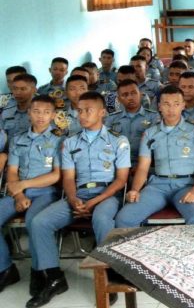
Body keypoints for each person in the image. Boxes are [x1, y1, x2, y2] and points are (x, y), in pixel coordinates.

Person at [27, 92, 130, 308]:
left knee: (102, 219)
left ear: (102, 112)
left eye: (88, 110)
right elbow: (69, 177)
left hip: (106, 194)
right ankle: (55, 277)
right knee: (40, 222)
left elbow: (121, 180)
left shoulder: (118, 140)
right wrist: (73, 199)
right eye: (79, 110)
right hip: (79, 194)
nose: (81, 114)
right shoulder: (70, 142)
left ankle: (107, 275)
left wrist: (94, 202)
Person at [115, 86, 194, 228]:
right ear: (159, 106)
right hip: (157, 187)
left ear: (183, 105)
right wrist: (135, 189)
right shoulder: (150, 133)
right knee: (124, 219)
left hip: (186, 185)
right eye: (166, 104)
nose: (171, 109)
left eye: (176, 104)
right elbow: (142, 168)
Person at [0, 96, 62, 295]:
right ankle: (5, 269)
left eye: (46, 112)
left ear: (53, 115)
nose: (41, 116)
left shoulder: (60, 139)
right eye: (36, 111)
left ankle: (40, 272)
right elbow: (11, 172)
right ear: (29, 113)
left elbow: (56, 175)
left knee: (33, 221)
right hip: (18, 192)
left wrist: (24, 185)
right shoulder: (18, 139)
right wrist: (18, 196)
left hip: (46, 192)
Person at [104, 80, 160, 166]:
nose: (130, 97)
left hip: (145, 164)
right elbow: (106, 144)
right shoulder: (112, 119)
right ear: (119, 99)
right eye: (125, 95)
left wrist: (140, 166)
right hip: (117, 164)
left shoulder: (153, 117)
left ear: (140, 94)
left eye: (134, 93)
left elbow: (156, 145)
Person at [2, 74, 37, 141]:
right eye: (15, 89)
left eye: (23, 89)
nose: (17, 92)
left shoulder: (42, 113)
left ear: (34, 90)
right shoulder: (7, 112)